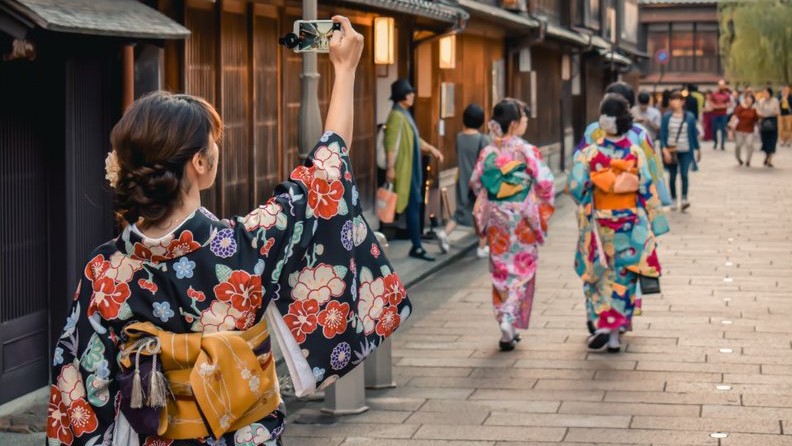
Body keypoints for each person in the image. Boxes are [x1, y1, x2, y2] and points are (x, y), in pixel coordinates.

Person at [46, 17, 411, 446]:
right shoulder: (244, 245)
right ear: (199, 164)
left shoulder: (103, 272)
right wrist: (345, 70)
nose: (217, 147)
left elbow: (78, 392)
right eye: (212, 142)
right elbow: (326, 174)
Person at [568, 94, 663, 353]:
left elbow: (575, 187)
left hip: (600, 223)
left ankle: (602, 324)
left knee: (599, 275)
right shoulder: (633, 152)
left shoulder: (589, 153)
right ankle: (614, 336)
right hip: (629, 222)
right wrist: (654, 220)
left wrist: (594, 193)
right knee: (624, 275)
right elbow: (646, 186)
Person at [470, 99, 555, 351]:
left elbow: (476, 181)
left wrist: (495, 195)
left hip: (497, 217)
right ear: (515, 123)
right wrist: (537, 202)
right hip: (522, 219)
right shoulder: (526, 150)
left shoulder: (488, 152)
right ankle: (509, 317)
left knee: (501, 269)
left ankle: (506, 327)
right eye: (524, 118)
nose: (526, 122)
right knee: (522, 269)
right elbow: (546, 183)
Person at [576, 81, 672, 210]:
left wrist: (579, 190)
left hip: (599, 199)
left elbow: (578, 161)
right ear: (628, 106)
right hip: (630, 201)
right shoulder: (639, 132)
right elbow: (652, 165)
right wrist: (660, 196)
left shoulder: (593, 130)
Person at [384, 78, 444, 261]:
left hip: (411, 166)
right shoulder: (396, 116)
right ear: (402, 96)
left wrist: (432, 149)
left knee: (414, 203)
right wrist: (390, 168)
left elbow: (415, 139)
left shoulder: (404, 113)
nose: (412, 96)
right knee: (412, 204)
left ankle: (416, 244)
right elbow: (391, 145)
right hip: (405, 168)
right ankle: (416, 246)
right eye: (409, 92)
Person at [435, 104, 490, 258]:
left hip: (463, 181)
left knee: (461, 211)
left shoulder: (459, 138)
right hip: (478, 183)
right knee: (482, 214)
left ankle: (444, 233)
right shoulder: (482, 139)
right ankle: (481, 247)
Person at [661, 90, 701, 211]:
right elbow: (663, 134)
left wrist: (698, 149)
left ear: (682, 102)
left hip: (686, 149)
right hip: (671, 150)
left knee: (684, 174)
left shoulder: (689, 117)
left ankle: (684, 198)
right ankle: (673, 198)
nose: (674, 102)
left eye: (676, 100)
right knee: (672, 176)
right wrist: (664, 150)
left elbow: (694, 134)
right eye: (672, 100)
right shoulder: (666, 117)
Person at [732, 94, 760, 166]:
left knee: (749, 144)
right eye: (747, 98)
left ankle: (748, 160)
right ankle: (738, 158)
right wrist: (731, 128)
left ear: (752, 101)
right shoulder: (740, 107)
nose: (748, 100)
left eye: (750, 99)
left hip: (749, 130)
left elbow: (756, 119)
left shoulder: (754, 109)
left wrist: (757, 113)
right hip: (739, 129)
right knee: (738, 145)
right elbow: (735, 116)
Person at [756, 86, 780, 167]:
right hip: (764, 121)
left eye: (766, 92)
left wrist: (767, 113)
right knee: (765, 141)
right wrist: (764, 114)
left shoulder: (775, 100)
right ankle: (767, 155)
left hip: (773, 121)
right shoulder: (761, 101)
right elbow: (758, 111)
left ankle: (769, 159)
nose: (765, 94)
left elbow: (777, 112)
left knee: (772, 141)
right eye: (764, 93)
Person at [710, 80, 732, 150]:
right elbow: (712, 105)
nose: (721, 86)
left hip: (723, 115)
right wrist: (722, 106)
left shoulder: (727, 95)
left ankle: (722, 144)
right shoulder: (714, 94)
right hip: (715, 114)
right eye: (720, 85)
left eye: (723, 85)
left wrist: (718, 106)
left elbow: (728, 105)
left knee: (723, 129)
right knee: (714, 129)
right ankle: (715, 142)